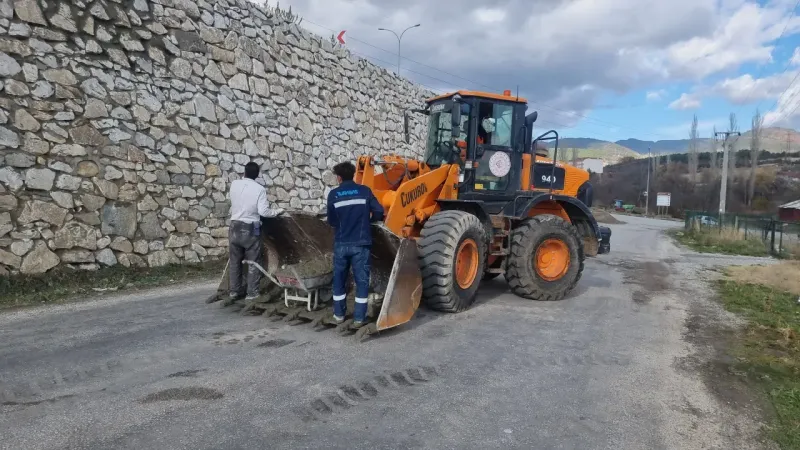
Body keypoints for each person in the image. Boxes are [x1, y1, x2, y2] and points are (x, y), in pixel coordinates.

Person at [326, 161, 384, 327]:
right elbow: (379, 211)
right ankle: (359, 317)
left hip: (341, 244)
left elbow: (331, 221)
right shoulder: (364, 191)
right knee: (362, 281)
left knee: (339, 279)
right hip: (361, 244)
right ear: (353, 175)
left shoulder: (333, 195)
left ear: (338, 178)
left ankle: (338, 315)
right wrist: (370, 222)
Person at [227, 162, 284, 303]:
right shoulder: (259, 189)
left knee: (235, 261)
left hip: (234, 226)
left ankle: (234, 291)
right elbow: (263, 212)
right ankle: (252, 293)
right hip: (250, 228)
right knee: (253, 262)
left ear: (244, 172)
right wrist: (277, 211)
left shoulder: (234, 184)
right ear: (257, 175)